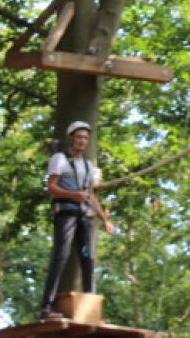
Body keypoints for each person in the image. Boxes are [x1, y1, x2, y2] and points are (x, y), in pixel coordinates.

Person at [37, 121, 115, 320]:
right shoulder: (59, 159)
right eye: (79, 137)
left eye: (85, 138)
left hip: (84, 217)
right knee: (60, 257)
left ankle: (91, 308)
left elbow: (90, 196)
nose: (82, 141)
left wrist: (104, 219)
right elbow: (51, 188)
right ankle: (47, 305)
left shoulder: (89, 166)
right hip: (66, 214)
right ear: (71, 138)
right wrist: (72, 195)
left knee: (88, 260)